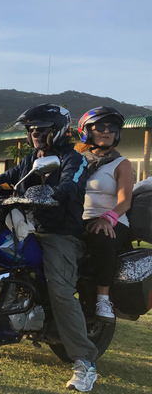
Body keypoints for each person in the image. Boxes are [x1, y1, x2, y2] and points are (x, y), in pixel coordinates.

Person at [0, 103, 98, 392]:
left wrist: (53, 191)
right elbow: (6, 178)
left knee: (60, 290)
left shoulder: (73, 160)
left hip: (59, 234)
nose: (35, 134)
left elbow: (71, 186)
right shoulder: (31, 159)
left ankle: (85, 362)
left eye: (41, 129)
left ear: (58, 131)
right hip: (28, 227)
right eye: (31, 129)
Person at [77, 107, 133, 322]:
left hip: (113, 219)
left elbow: (125, 201)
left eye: (112, 127)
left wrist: (108, 218)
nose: (106, 131)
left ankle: (103, 298)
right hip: (78, 219)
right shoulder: (76, 160)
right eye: (100, 126)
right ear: (87, 131)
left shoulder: (122, 163)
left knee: (102, 235)